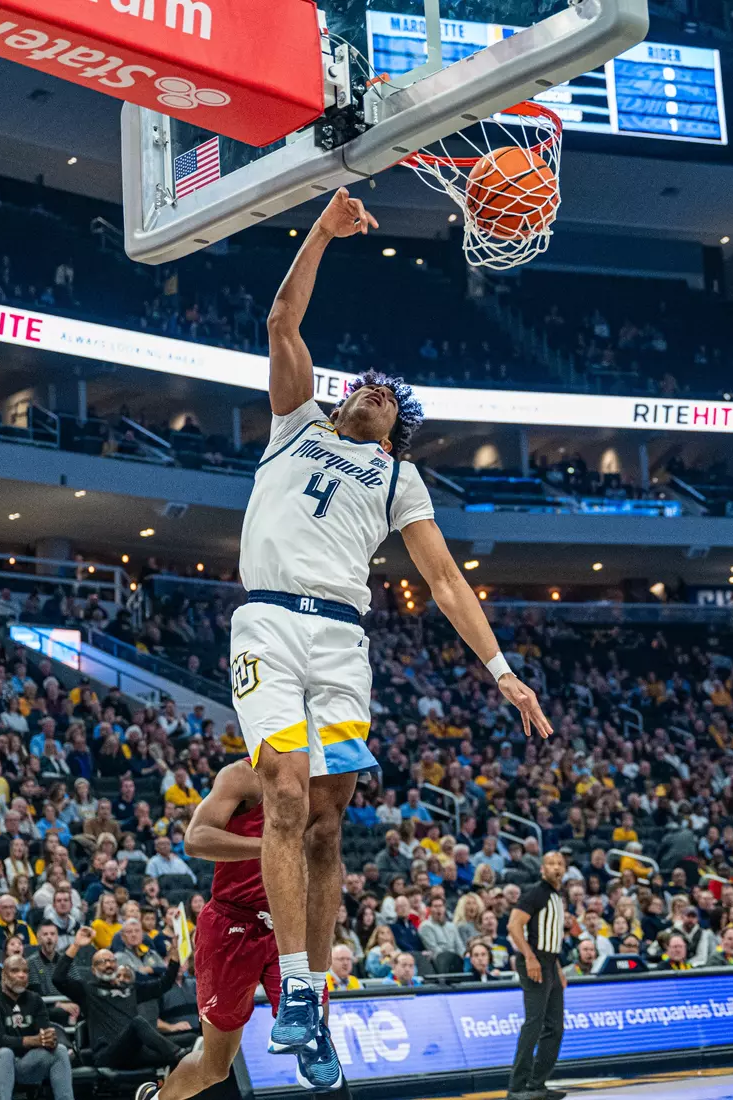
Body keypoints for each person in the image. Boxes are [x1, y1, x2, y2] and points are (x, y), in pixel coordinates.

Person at [230, 187, 553, 1063]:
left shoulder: (397, 479)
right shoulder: (294, 426)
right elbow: (280, 322)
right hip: (265, 626)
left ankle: (314, 1000)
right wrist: (322, 234)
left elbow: (444, 580)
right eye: (364, 384)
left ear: (394, 432)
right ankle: (294, 983)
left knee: (330, 822)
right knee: (287, 793)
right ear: (342, 403)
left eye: (387, 395)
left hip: (342, 640)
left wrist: (501, 672)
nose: (372, 389)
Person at [134, 758, 337, 1100]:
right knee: (215, 1068)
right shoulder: (243, 775)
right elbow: (195, 839)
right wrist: (272, 850)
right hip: (232, 925)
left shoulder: (323, 779)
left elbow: (321, 865)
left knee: (318, 1042)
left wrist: (321, 935)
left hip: (288, 931)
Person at [52, 927, 183, 1072]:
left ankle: (187, 1058)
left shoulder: (131, 988)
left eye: (111, 960)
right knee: (139, 1023)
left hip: (134, 1052)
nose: (108, 964)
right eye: (102, 962)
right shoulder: (87, 990)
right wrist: (76, 945)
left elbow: (163, 984)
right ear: (93, 970)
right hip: (107, 1055)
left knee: (186, 1042)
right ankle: (180, 1054)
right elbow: (58, 978)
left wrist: (174, 954)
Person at [505, 851, 568, 1100]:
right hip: (535, 961)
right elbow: (513, 925)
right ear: (543, 869)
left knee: (555, 1027)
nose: (556, 868)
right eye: (551, 864)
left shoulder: (556, 896)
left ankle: (536, 1084)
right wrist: (530, 958)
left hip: (550, 963)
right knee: (534, 1023)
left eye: (560, 864)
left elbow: (552, 937)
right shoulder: (536, 893)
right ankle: (517, 1087)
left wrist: (558, 968)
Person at [0, 953, 74, 1100]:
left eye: (25, 971)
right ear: (3, 975)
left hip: (22, 1062)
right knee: (5, 1054)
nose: (22, 975)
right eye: (15, 971)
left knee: (60, 1051)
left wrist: (50, 1040)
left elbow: (44, 1034)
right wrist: (34, 1041)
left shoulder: (35, 1000)